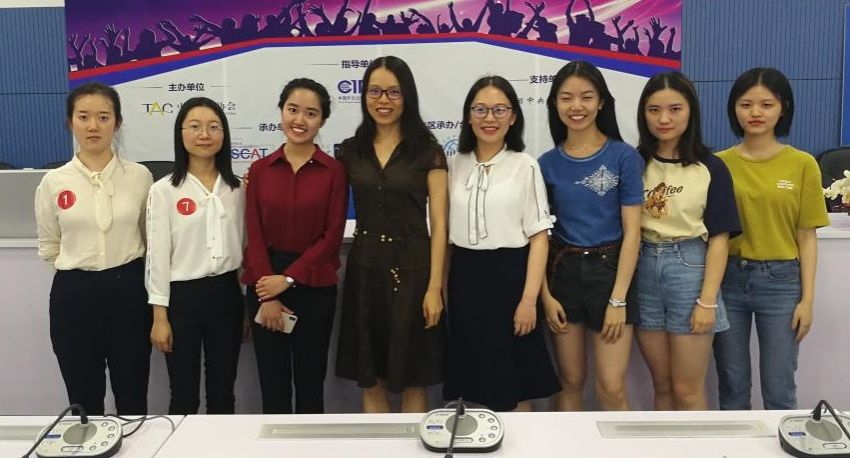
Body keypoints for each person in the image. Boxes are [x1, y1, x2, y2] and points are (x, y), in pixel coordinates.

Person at [335, 56, 447, 413]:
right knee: (371, 376)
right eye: (375, 91)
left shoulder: (428, 151)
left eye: (393, 92)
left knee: (413, 376)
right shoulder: (350, 150)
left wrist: (434, 287)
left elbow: (440, 223)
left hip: (414, 271)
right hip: (365, 269)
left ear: (407, 96)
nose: (383, 100)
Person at [713, 68, 829, 410]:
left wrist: (807, 300)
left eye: (766, 104)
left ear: (783, 108)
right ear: (734, 109)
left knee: (779, 387)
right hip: (727, 280)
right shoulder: (717, 164)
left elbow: (806, 236)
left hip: (781, 282)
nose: (755, 113)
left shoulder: (802, 164)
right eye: (745, 104)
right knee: (732, 385)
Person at [443, 76, 560, 411]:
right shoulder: (452, 165)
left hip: (510, 280)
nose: (489, 118)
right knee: (474, 382)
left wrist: (529, 301)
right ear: (468, 116)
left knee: (514, 383)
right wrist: (444, 292)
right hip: (465, 279)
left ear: (513, 117)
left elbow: (539, 238)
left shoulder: (525, 166)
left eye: (499, 110)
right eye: (480, 109)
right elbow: (445, 238)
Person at [35, 82, 153, 415]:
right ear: (70, 122)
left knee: (132, 395)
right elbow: (49, 245)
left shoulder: (140, 176)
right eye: (83, 117)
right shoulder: (54, 182)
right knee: (83, 399)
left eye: (103, 117)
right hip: (75, 296)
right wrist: (81, 274)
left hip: (129, 292)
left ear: (117, 122)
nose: (93, 126)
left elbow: (150, 238)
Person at [538, 61, 644, 411]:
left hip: (610, 274)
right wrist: (546, 297)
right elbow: (539, 237)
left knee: (611, 387)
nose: (576, 106)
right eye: (566, 98)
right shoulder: (545, 164)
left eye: (586, 97)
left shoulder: (624, 157)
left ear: (601, 102)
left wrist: (618, 300)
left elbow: (633, 233)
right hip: (563, 272)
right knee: (570, 383)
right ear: (555, 104)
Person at [633, 72, 741, 410]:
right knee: (662, 385)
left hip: (690, 268)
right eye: (654, 110)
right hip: (643, 269)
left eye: (675, 109)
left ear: (691, 111)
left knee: (687, 389)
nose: (664, 119)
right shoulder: (635, 162)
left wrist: (707, 302)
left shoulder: (711, 167)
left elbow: (720, 238)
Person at [242, 79, 347, 414]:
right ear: (281, 111)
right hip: (265, 283)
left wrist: (287, 280)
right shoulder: (260, 170)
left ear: (322, 120)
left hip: (315, 285)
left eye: (311, 113)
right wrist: (268, 294)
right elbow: (254, 233)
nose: (300, 120)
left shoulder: (334, 172)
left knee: (310, 383)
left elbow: (332, 236)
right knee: (272, 385)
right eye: (293, 110)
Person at [146, 97, 245, 414]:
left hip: (227, 295)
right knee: (183, 393)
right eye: (195, 126)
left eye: (213, 127)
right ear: (181, 133)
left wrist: (245, 304)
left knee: (223, 390)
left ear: (224, 134)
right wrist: (159, 317)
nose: (204, 134)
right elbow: (157, 257)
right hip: (182, 300)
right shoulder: (164, 190)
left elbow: (246, 249)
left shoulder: (238, 189)